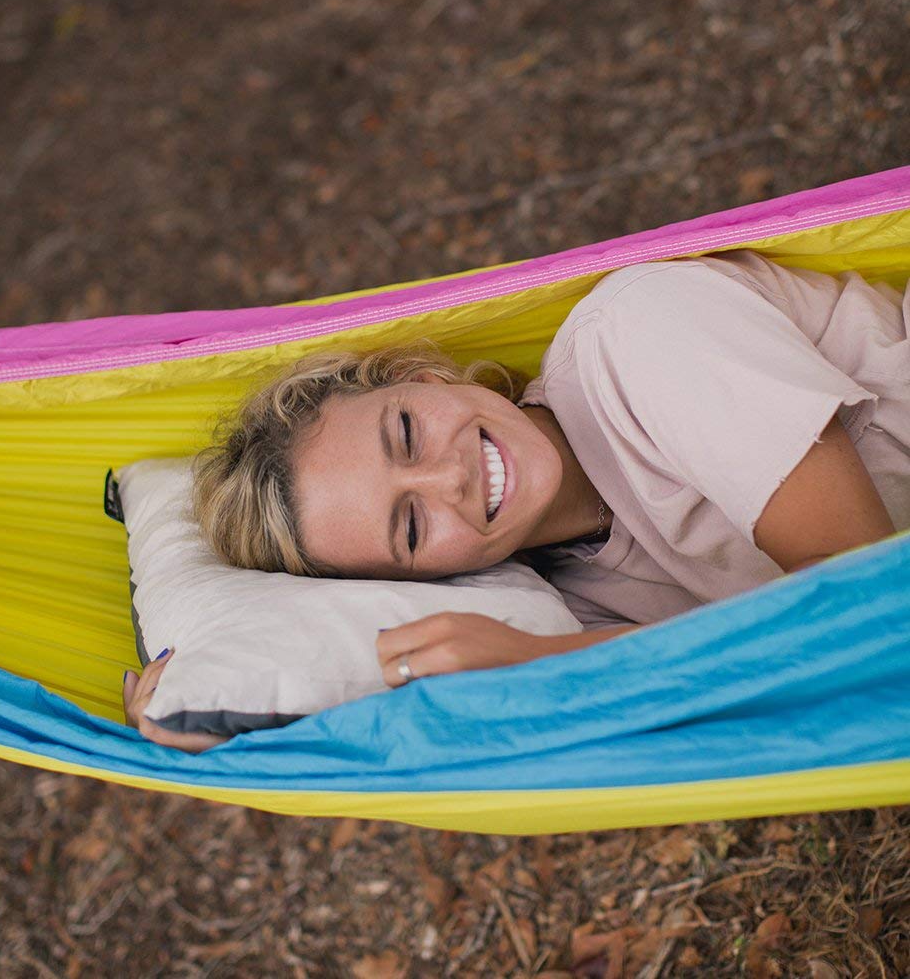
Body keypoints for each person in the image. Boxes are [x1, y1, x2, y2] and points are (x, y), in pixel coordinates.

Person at [123, 250, 909, 750]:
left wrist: (541, 664)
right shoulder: (581, 604)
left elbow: (871, 608)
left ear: (424, 378)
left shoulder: (639, 335)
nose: (449, 480)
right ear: (420, 580)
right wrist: (217, 717)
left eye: (405, 433)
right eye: (410, 524)